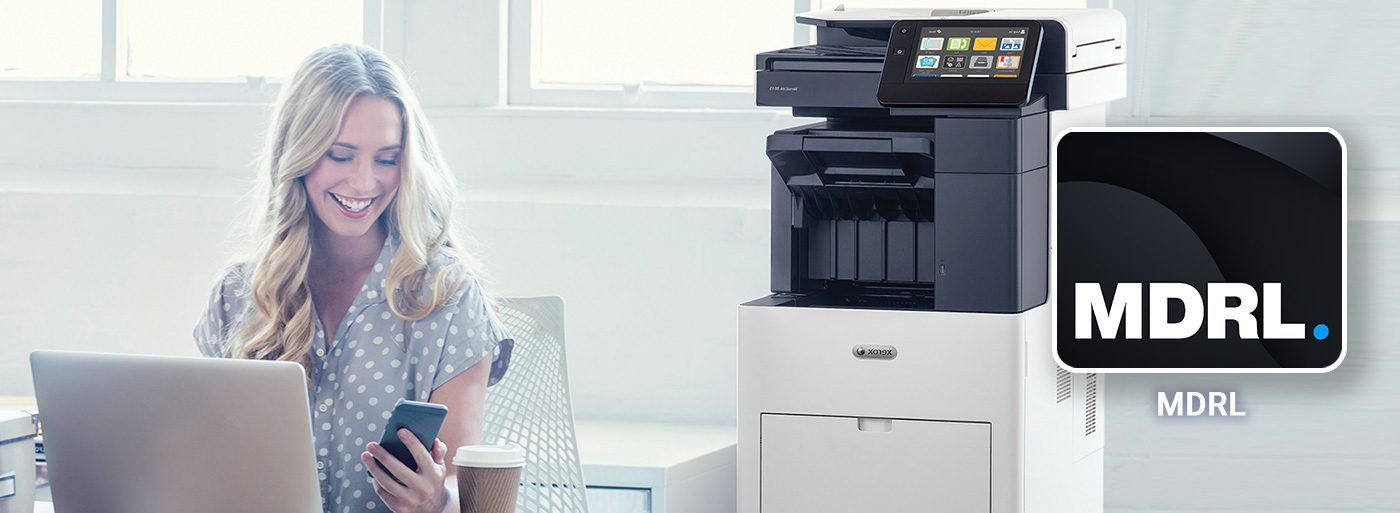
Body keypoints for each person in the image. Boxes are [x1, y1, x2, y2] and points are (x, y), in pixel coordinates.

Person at [193, 43, 513, 513]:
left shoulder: (446, 297)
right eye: (341, 155)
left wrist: (434, 502)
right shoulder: (238, 295)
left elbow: (465, 500)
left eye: (387, 159)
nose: (365, 183)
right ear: (297, 155)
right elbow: (203, 467)